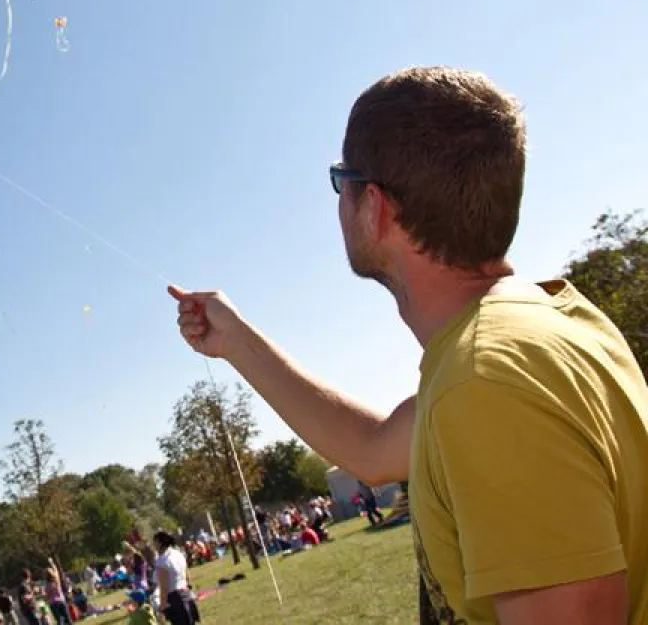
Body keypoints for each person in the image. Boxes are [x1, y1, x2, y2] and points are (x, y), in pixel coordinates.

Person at [168, 66, 648, 624]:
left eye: (339, 180)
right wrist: (236, 340)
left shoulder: (486, 382)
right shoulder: (539, 324)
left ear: (377, 207)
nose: (338, 202)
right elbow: (373, 450)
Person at [152, 531, 200, 625]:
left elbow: (164, 587)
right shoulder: (178, 553)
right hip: (186, 594)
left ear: (160, 543)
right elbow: (187, 575)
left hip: (175, 599)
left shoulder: (162, 561)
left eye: (154, 543)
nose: (154, 546)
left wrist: (161, 608)